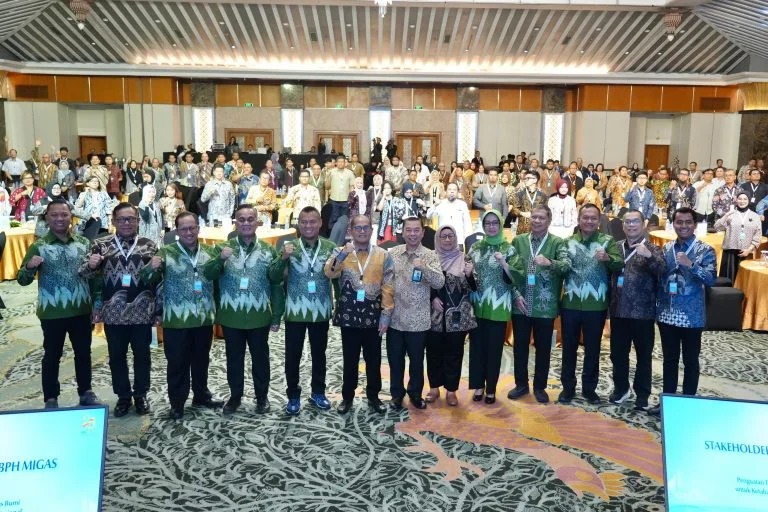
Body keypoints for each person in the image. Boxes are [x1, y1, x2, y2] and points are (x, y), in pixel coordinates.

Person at [139, 212, 224, 420]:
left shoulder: (210, 252)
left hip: (203, 318)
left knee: (201, 360)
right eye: (184, 229)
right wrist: (151, 267)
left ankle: (201, 395)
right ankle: (177, 403)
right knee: (177, 363)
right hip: (176, 320)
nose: (188, 232)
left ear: (198, 228)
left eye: (192, 228)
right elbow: (146, 279)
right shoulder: (166, 252)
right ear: (177, 231)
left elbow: (218, 282)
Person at [17, 199, 100, 408]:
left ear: (71, 217)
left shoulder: (84, 243)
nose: (60, 219)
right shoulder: (39, 246)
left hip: (81, 309)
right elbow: (22, 280)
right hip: (52, 312)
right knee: (52, 355)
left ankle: (86, 391)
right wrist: (29, 267)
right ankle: (51, 397)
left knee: (83, 353)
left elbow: (94, 277)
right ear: (47, 218)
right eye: (54, 215)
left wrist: (97, 304)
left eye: (64, 214)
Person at [201, 205, 283, 415]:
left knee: (261, 359)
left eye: (250, 219)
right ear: (235, 222)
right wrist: (220, 259)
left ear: (257, 222)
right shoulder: (222, 248)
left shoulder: (268, 250)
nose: (246, 223)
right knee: (234, 359)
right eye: (241, 219)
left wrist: (276, 316)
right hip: (231, 316)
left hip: (259, 315)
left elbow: (276, 283)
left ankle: (262, 397)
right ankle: (235, 397)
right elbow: (208, 274)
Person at [78, 203, 159, 417]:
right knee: (116, 357)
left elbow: (158, 281)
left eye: (131, 219)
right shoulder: (100, 244)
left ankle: (140, 395)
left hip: (142, 312)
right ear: (113, 221)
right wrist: (91, 265)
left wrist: (158, 310)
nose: (126, 222)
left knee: (142, 356)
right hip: (113, 313)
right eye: (122, 219)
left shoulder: (149, 245)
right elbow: (83, 274)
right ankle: (123, 396)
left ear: (138, 221)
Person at [649, 207, 716, 416]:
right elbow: (660, 276)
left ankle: (687, 403)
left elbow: (711, 279)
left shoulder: (705, 250)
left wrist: (691, 265)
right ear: (673, 224)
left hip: (691, 315)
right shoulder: (666, 248)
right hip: (667, 313)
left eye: (688, 222)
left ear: (694, 225)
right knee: (669, 360)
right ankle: (668, 401)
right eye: (679, 222)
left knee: (690, 361)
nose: (684, 226)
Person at [324, 214, 394, 414]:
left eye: (365, 228)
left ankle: (374, 396)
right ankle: (347, 397)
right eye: (358, 228)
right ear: (351, 231)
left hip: (373, 315)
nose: (362, 231)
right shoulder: (341, 252)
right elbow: (329, 272)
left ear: (371, 230)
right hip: (349, 315)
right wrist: (342, 255)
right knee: (350, 359)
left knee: (374, 359)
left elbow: (388, 285)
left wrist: (386, 314)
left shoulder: (383, 255)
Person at [269, 207, 336, 414]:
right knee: (293, 355)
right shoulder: (289, 247)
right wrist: (283, 258)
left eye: (312, 221)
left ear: (320, 223)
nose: (308, 226)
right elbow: (274, 277)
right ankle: (293, 395)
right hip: (295, 311)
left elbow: (338, 277)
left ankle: (318, 392)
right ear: (298, 224)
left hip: (320, 310)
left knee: (319, 354)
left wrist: (339, 305)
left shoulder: (330, 247)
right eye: (304, 222)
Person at [559, 203, 624, 404]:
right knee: (569, 348)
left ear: (599, 221)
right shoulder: (567, 242)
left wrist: (607, 258)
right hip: (570, 304)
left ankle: (589, 389)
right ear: (579, 219)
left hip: (596, 306)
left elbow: (619, 264)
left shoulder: (607, 241)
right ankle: (568, 388)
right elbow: (561, 267)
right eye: (585, 217)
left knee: (593, 349)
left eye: (593, 218)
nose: (589, 221)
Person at [506, 205, 569, 404]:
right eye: (534, 217)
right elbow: (509, 272)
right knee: (520, 347)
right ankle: (521, 385)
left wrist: (550, 262)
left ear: (549, 221)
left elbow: (567, 267)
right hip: (521, 303)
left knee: (543, 349)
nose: (537, 221)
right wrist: (515, 294)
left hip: (545, 306)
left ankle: (540, 387)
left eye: (541, 218)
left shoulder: (557, 243)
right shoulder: (518, 241)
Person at [608, 210, 666, 411]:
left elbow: (663, 271)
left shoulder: (653, 248)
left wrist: (648, 256)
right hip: (618, 311)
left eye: (635, 222)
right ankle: (621, 389)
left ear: (643, 224)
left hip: (643, 313)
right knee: (618, 354)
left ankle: (642, 395)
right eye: (627, 222)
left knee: (643, 356)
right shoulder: (616, 248)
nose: (631, 225)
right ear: (623, 225)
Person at [387, 217, 445, 410]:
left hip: (418, 320)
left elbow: (439, 282)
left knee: (417, 362)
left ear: (422, 232)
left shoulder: (430, 255)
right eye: (408, 230)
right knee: (395, 361)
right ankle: (397, 395)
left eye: (416, 230)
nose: (412, 234)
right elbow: (385, 281)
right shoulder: (393, 253)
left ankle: (415, 394)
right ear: (403, 232)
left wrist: (424, 268)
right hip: (395, 319)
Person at [425, 225, 476, 406]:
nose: (447, 240)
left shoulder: (465, 258)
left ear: (456, 238)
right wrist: (432, 298)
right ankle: (434, 388)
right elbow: (422, 284)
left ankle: (451, 390)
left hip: (458, 316)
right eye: (443, 236)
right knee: (433, 352)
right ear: (437, 239)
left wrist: (469, 275)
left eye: (451, 236)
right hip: (434, 315)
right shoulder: (430, 259)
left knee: (454, 353)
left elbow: (474, 288)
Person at [467, 210, 514, 404]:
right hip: (477, 305)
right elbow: (468, 277)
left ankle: (491, 389)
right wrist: (468, 273)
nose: (491, 226)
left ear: (501, 225)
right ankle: (478, 386)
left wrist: (504, 263)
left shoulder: (509, 249)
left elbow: (515, 278)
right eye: (488, 223)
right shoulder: (475, 248)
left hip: (498, 306)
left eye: (495, 223)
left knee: (494, 350)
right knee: (477, 349)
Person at [713, 192, 763, 281]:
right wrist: (726, 215)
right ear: (736, 200)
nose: (742, 201)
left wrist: (749, 250)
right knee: (728, 281)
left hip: (746, 252)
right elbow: (717, 227)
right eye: (740, 199)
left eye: (745, 199)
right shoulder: (731, 214)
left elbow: (758, 235)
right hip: (730, 252)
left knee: (744, 280)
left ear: (749, 200)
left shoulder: (755, 216)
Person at [73, 175, 115, 240]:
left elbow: (109, 209)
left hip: (103, 223)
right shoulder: (83, 194)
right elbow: (77, 206)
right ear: (87, 183)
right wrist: (85, 192)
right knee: (90, 241)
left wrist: (110, 224)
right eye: (93, 181)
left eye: (97, 181)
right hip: (88, 223)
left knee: (101, 241)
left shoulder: (104, 194)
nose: (95, 183)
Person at [510, 170, 548, 235]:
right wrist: (522, 213)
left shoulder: (542, 196)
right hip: (523, 229)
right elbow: (513, 210)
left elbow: (546, 211)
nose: (525, 180)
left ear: (535, 180)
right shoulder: (520, 194)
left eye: (528, 178)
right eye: (525, 178)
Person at [325, 156, 356, 230]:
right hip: (334, 199)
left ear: (345, 163)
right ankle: (332, 234)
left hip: (345, 200)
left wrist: (351, 199)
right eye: (339, 162)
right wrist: (328, 177)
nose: (341, 163)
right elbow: (327, 186)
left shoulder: (350, 173)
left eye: (342, 162)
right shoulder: (331, 172)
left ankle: (343, 235)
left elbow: (352, 187)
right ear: (336, 163)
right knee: (333, 218)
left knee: (344, 219)